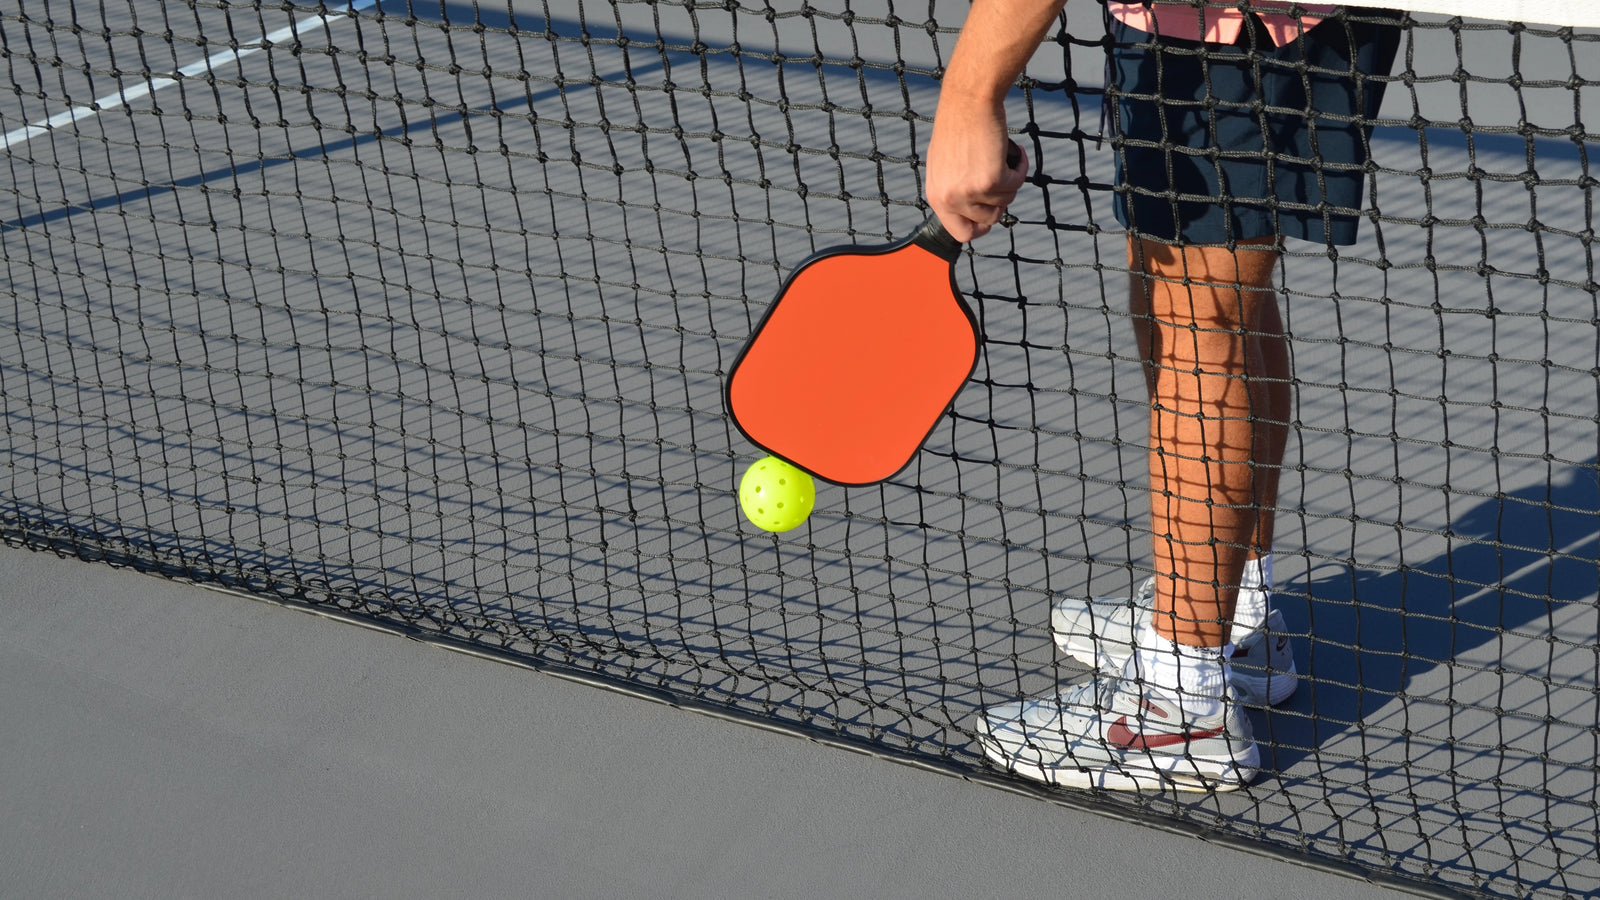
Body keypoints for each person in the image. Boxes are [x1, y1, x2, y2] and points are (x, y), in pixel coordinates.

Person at [924, 0, 1398, 791]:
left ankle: (1183, 703)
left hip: (1243, 36)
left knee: (1199, 313)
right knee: (1192, 291)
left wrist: (969, 96)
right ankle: (1232, 625)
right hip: (1201, 28)